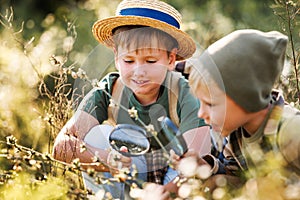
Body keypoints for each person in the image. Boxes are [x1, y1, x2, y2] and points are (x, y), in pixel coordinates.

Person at [52, 0, 211, 199]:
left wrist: (164, 193)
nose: (138, 71)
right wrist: (108, 158)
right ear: (117, 57)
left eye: (150, 61)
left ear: (170, 60)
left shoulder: (184, 93)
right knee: (98, 135)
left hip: (174, 180)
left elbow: (196, 163)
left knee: (186, 168)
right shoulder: (110, 89)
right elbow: (60, 146)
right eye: (128, 60)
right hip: (130, 174)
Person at [172, 29, 299, 198]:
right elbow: (237, 179)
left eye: (210, 104)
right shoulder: (236, 134)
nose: (201, 113)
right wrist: (204, 167)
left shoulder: (291, 130)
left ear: (246, 96)